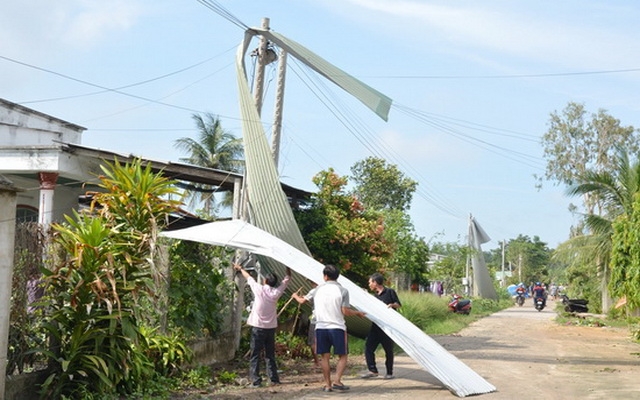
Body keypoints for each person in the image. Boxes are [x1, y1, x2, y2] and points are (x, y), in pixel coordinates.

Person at [292, 264, 365, 393]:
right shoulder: (343, 291)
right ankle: (337, 381)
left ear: (325, 276)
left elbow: (302, 301)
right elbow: (345, 311)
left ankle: (328, 385)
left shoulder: (317, 290)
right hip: (337, 327)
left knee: (324, 357)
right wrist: (357, 313)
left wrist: (295, 296)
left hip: (320, 327)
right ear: (337, 277)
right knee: (343, 356)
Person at [234, 263, 291, 388]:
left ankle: (256, 381)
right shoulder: (276, 293)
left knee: (255, 354)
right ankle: (274, 379)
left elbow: (249, 277)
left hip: (258, 328)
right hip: (270, 328)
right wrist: (287, 269)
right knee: (270, 355)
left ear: (265, 281)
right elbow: (286, 281)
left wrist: (240, 269)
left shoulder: (259, 289)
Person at [362, 273, 401, 380]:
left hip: (387, 327)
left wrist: (392, 305)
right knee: (368, 348)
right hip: (376, 327)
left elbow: (398, 304)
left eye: (370, 282)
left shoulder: (389, 292)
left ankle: (389, 372)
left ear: (375, 282)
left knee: (388, 351)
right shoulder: (374, 297)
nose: (369, 284)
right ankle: (373, 370)